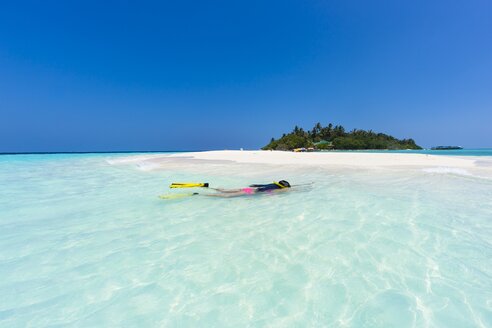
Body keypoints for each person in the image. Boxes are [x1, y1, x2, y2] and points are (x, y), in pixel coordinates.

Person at [204, 180, 291, 198]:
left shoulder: (273, 184)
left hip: (252, 188)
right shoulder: (277, 188)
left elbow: (263, 185)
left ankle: (213, 189)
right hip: (253, 191)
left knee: (227, 190)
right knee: (229, 196)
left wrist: (254, 184)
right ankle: (205, 194)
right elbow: (267, 190)